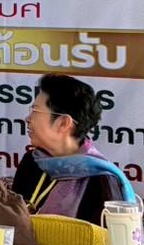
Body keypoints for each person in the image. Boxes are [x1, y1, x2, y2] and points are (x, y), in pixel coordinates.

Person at [11, 73, 111, 223]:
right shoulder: (32, 162)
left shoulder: (101, 178)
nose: (28, 119)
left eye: (35, 111)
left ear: (63, 123)